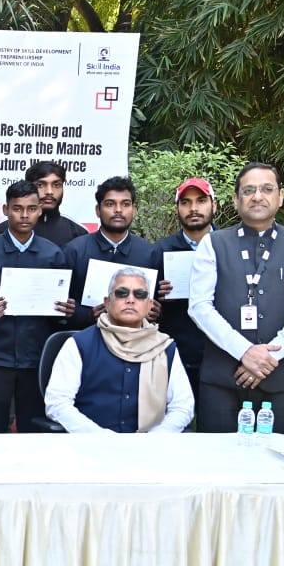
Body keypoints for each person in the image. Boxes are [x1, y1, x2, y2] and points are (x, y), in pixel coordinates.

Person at [189, 162, 284, 434]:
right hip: (221, 380)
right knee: (217, 456)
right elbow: (200, 306)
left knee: (271, 457)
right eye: (248, 190)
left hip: (277, 377)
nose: (257, 196)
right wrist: (244, 351)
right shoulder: (213, 244)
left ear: (280, 196)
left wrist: (269, 357)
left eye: (267, 189)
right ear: (236, 199)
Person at [0, 179, 76, 432]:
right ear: (6, 210)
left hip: (36, 357)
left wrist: (65, 311)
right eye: (17, 208)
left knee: (33, 430)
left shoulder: (53, 254)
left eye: (31, 208)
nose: (25, 215)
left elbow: (60, 313)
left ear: (40, 210)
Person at [45, 268, 193, 433]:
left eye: (139, 294)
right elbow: (57, 403)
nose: (130, 300)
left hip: (151, 445)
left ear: (150, 305)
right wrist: (100, 437)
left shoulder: (165, 348)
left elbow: (183, 406)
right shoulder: (79, 345)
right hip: (90, 443)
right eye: (122, 293)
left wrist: (157, 437)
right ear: (107, 302)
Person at [151, 177, 217, 412]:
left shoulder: (228, 247)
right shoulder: (160, 251)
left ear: (214, 205)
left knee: (216, 425)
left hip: (220, 355)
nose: (193, 209)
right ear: (177, 208)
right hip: (175, 355)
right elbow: (147, 308)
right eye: (186, 202)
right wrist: (157, 301)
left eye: (201, 201)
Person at [61, 175, 156, 328]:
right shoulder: (74, 251)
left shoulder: (149, 253)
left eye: (125, 204)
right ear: (98, 210)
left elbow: (155, 305)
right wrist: (87, 315)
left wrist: (156, 312)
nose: (118, 210)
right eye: (110, 204)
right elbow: (61, 307)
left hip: (136, 339)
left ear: (134, 210)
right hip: (86, 336)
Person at [0, 160, 89, 246]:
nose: (49, 191)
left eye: (56, 185)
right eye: (40, 185)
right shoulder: (1, 228)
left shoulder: (78, 232)